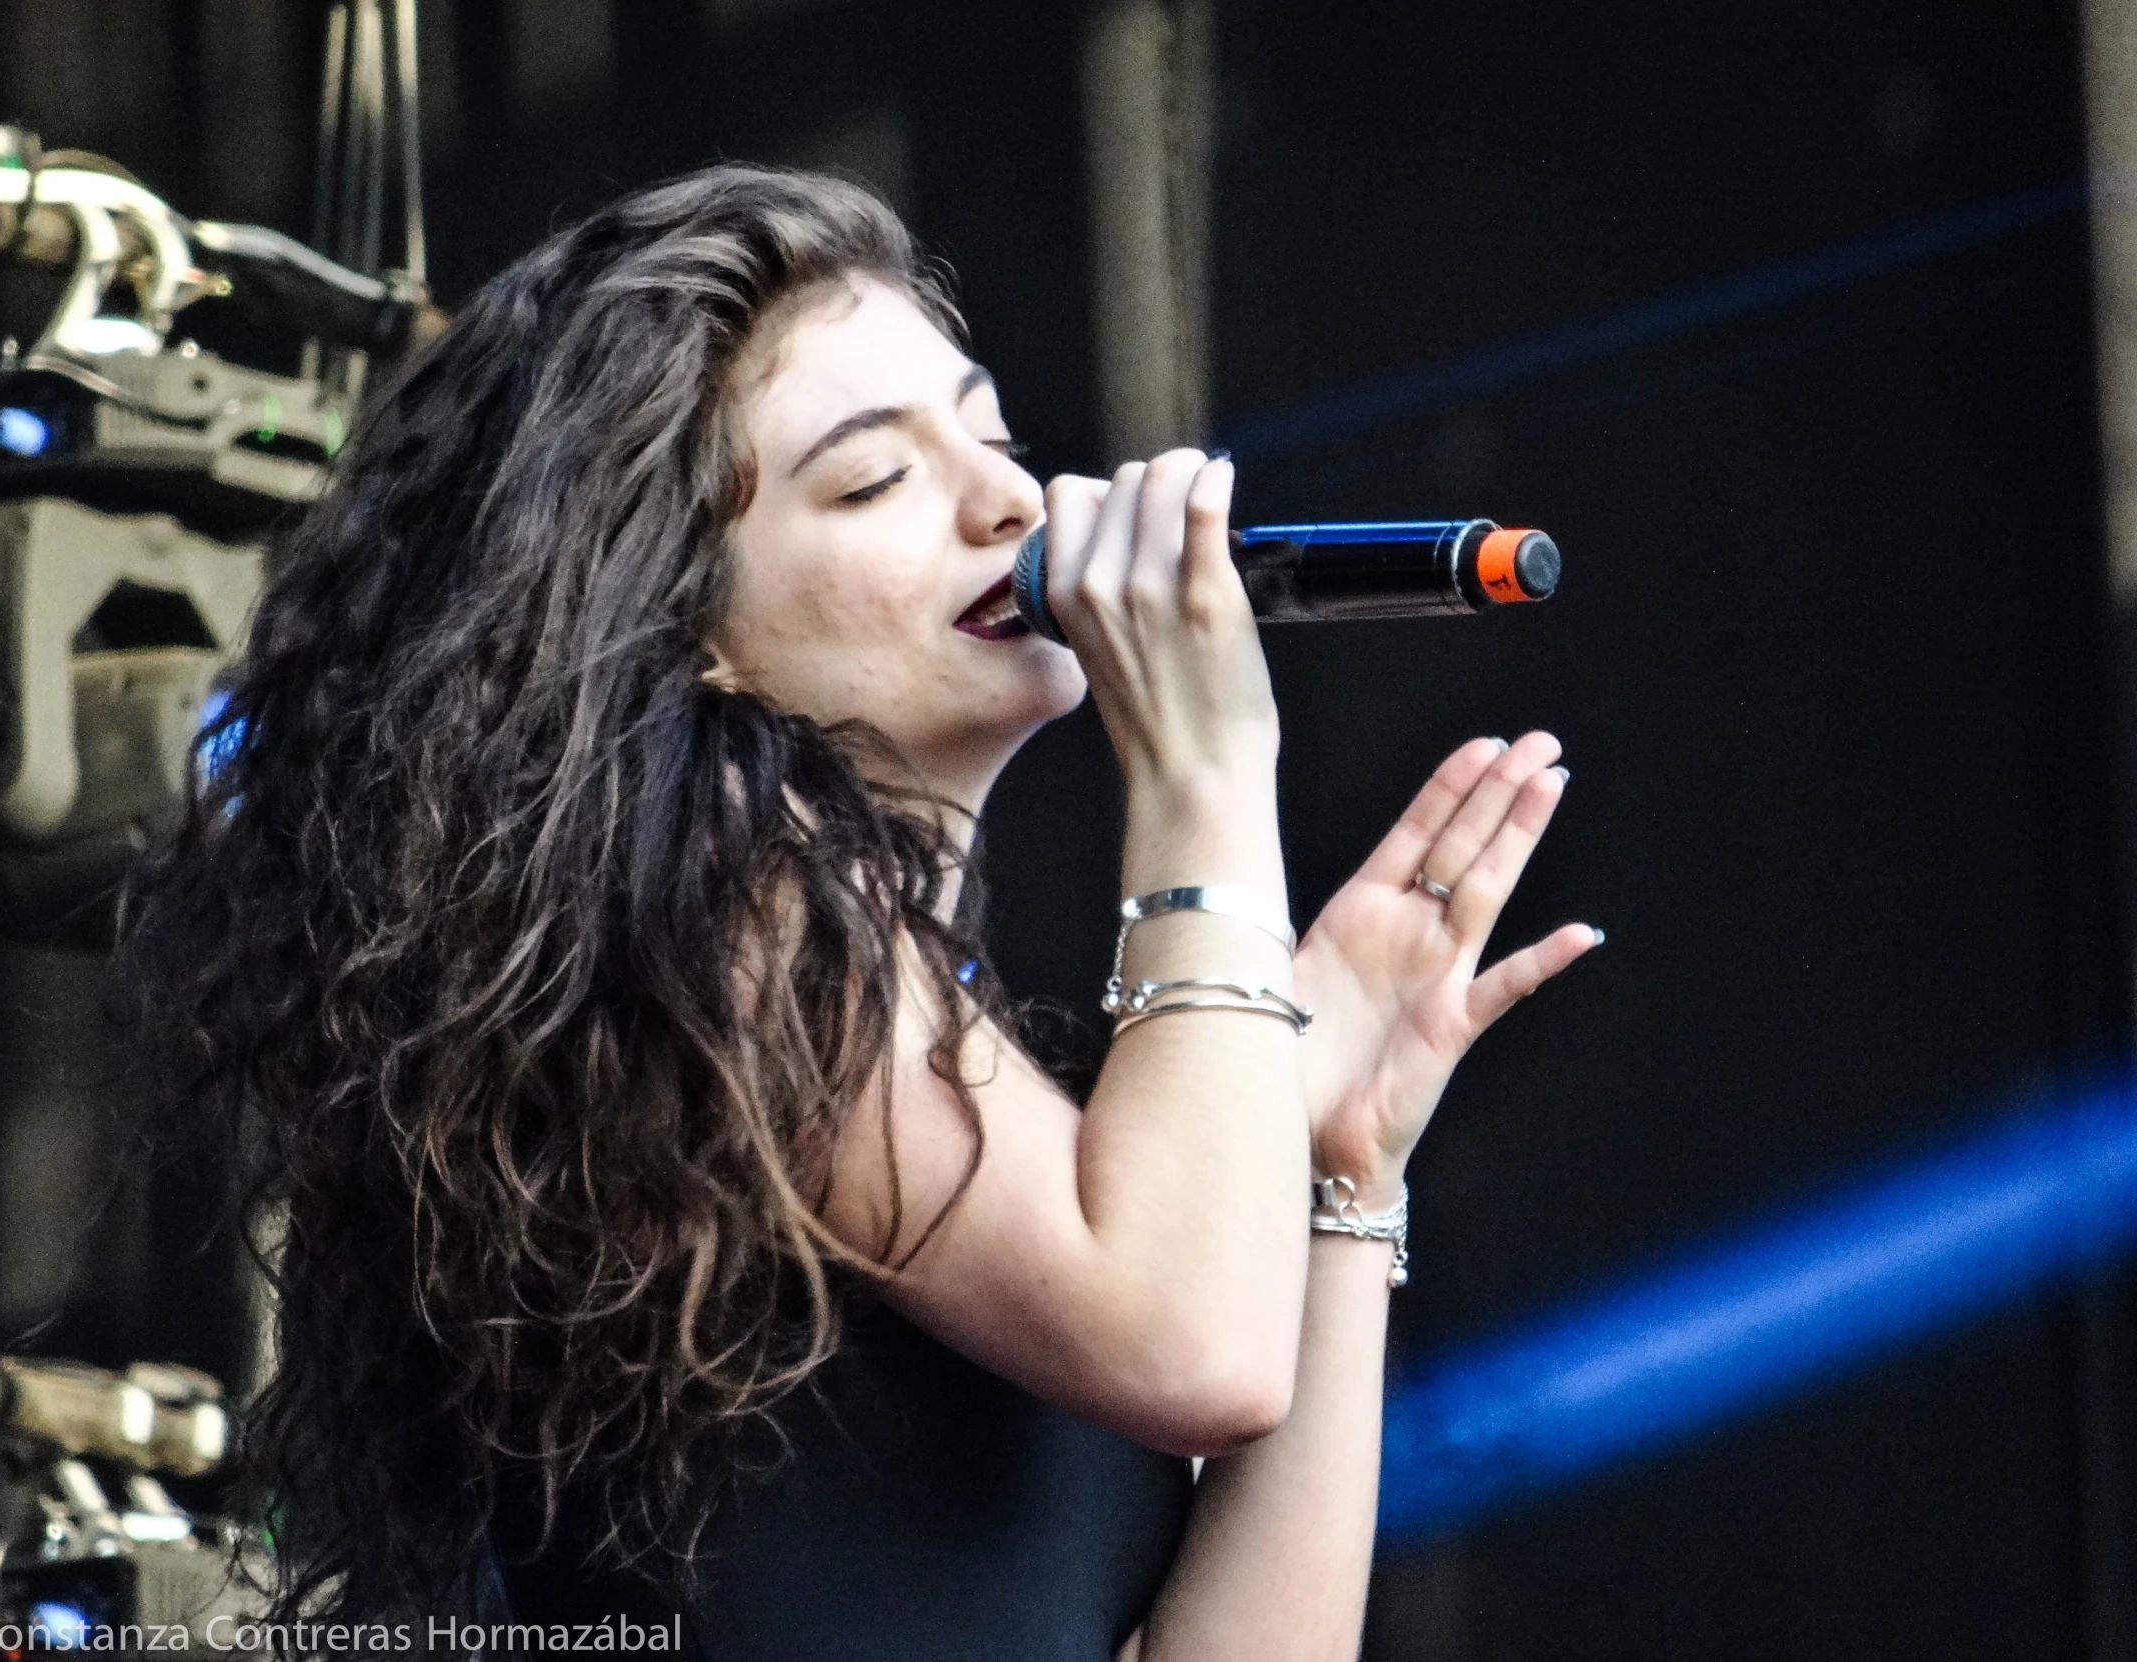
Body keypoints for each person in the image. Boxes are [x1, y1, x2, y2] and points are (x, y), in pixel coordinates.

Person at [121, 166, 1597, 1661]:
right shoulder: (714, 920)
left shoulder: (956, 1069)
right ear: (681, 629)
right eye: (877, 478)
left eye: (996, 435)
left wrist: (1336, 1171)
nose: (1013, 500)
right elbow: (1193, 1346)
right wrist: (1208, 766)